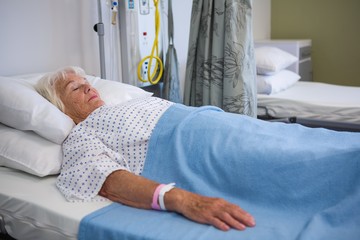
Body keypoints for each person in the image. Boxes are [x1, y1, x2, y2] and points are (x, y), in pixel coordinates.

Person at [35, 66, 256, 232]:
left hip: (224, 124)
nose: (88, 86)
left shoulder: (126, 105)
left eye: (85, 81)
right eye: (74, 87)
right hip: (204, 145)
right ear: (60, 108)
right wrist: (183, 200)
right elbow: (110, 180)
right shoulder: (81, 135)